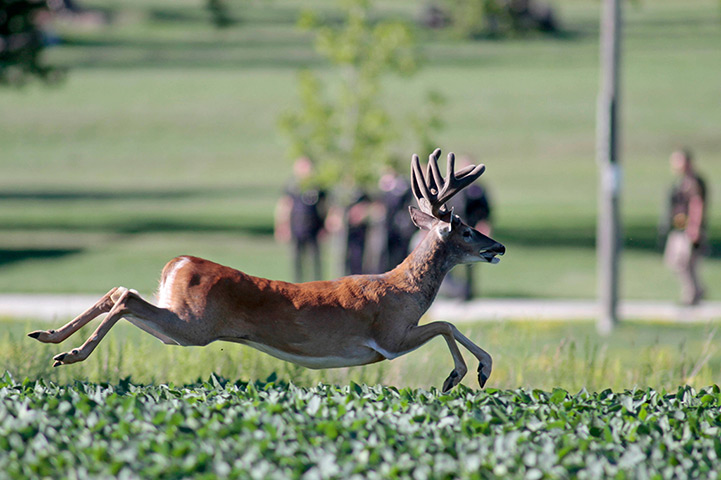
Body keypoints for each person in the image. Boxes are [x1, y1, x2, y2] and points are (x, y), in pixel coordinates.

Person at [442, 155, 493, 300]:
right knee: (450, 261)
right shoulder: (453, 189)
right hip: (454, 230)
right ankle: (453, 291)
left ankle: (468, 293)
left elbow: (485, 211)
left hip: (471, 230)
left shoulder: (477, 190)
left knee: (470, 263)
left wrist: (484, 227)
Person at [662, 148, 707, 305]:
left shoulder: (693, 182)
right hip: (678, 228)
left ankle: (691, 295)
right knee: (676, 262)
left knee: (685, 262)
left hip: (688, 229)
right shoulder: (680, 181)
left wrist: (694, 228)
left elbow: (697, 204)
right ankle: (697, 290)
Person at [274, 157, 327, 282]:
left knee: (315, 259)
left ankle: (317, 284)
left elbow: (325, 206)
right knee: (297, 259)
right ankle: (297, 284)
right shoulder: (292, 185)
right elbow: (284, 206)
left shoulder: (318, 186)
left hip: (314, 227)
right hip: (296, 227)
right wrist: (282, 226)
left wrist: (325, 226)